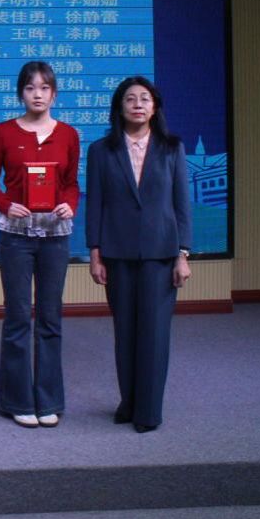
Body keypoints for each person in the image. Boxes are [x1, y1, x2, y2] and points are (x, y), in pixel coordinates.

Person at [86, 76, 192, 433]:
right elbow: (96, 205)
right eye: (130, 99)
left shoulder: (172, 148)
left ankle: (149, 410)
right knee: (125, 332)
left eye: (145, 98)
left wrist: (182, 254)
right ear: (119, 107)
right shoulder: (101, 150)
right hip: (117, 254)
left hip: (162, 254)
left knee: (155, 334)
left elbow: (181, 204)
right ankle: (129, 402)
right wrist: (95, 253)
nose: (137, 104)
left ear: (155, 106)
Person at [0, 61, 80, 428]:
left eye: (44, 87)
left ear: (54, 94)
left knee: (50, 317)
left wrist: (69, 204)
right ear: (20, 93)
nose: (37, 94)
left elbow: (71, 184)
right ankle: (17, 400)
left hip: (55, 236)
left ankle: (49, 400)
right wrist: (6, 204)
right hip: (15, 236)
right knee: (19, 316)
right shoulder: (3, 132)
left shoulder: (68, 135)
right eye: (30, 87)